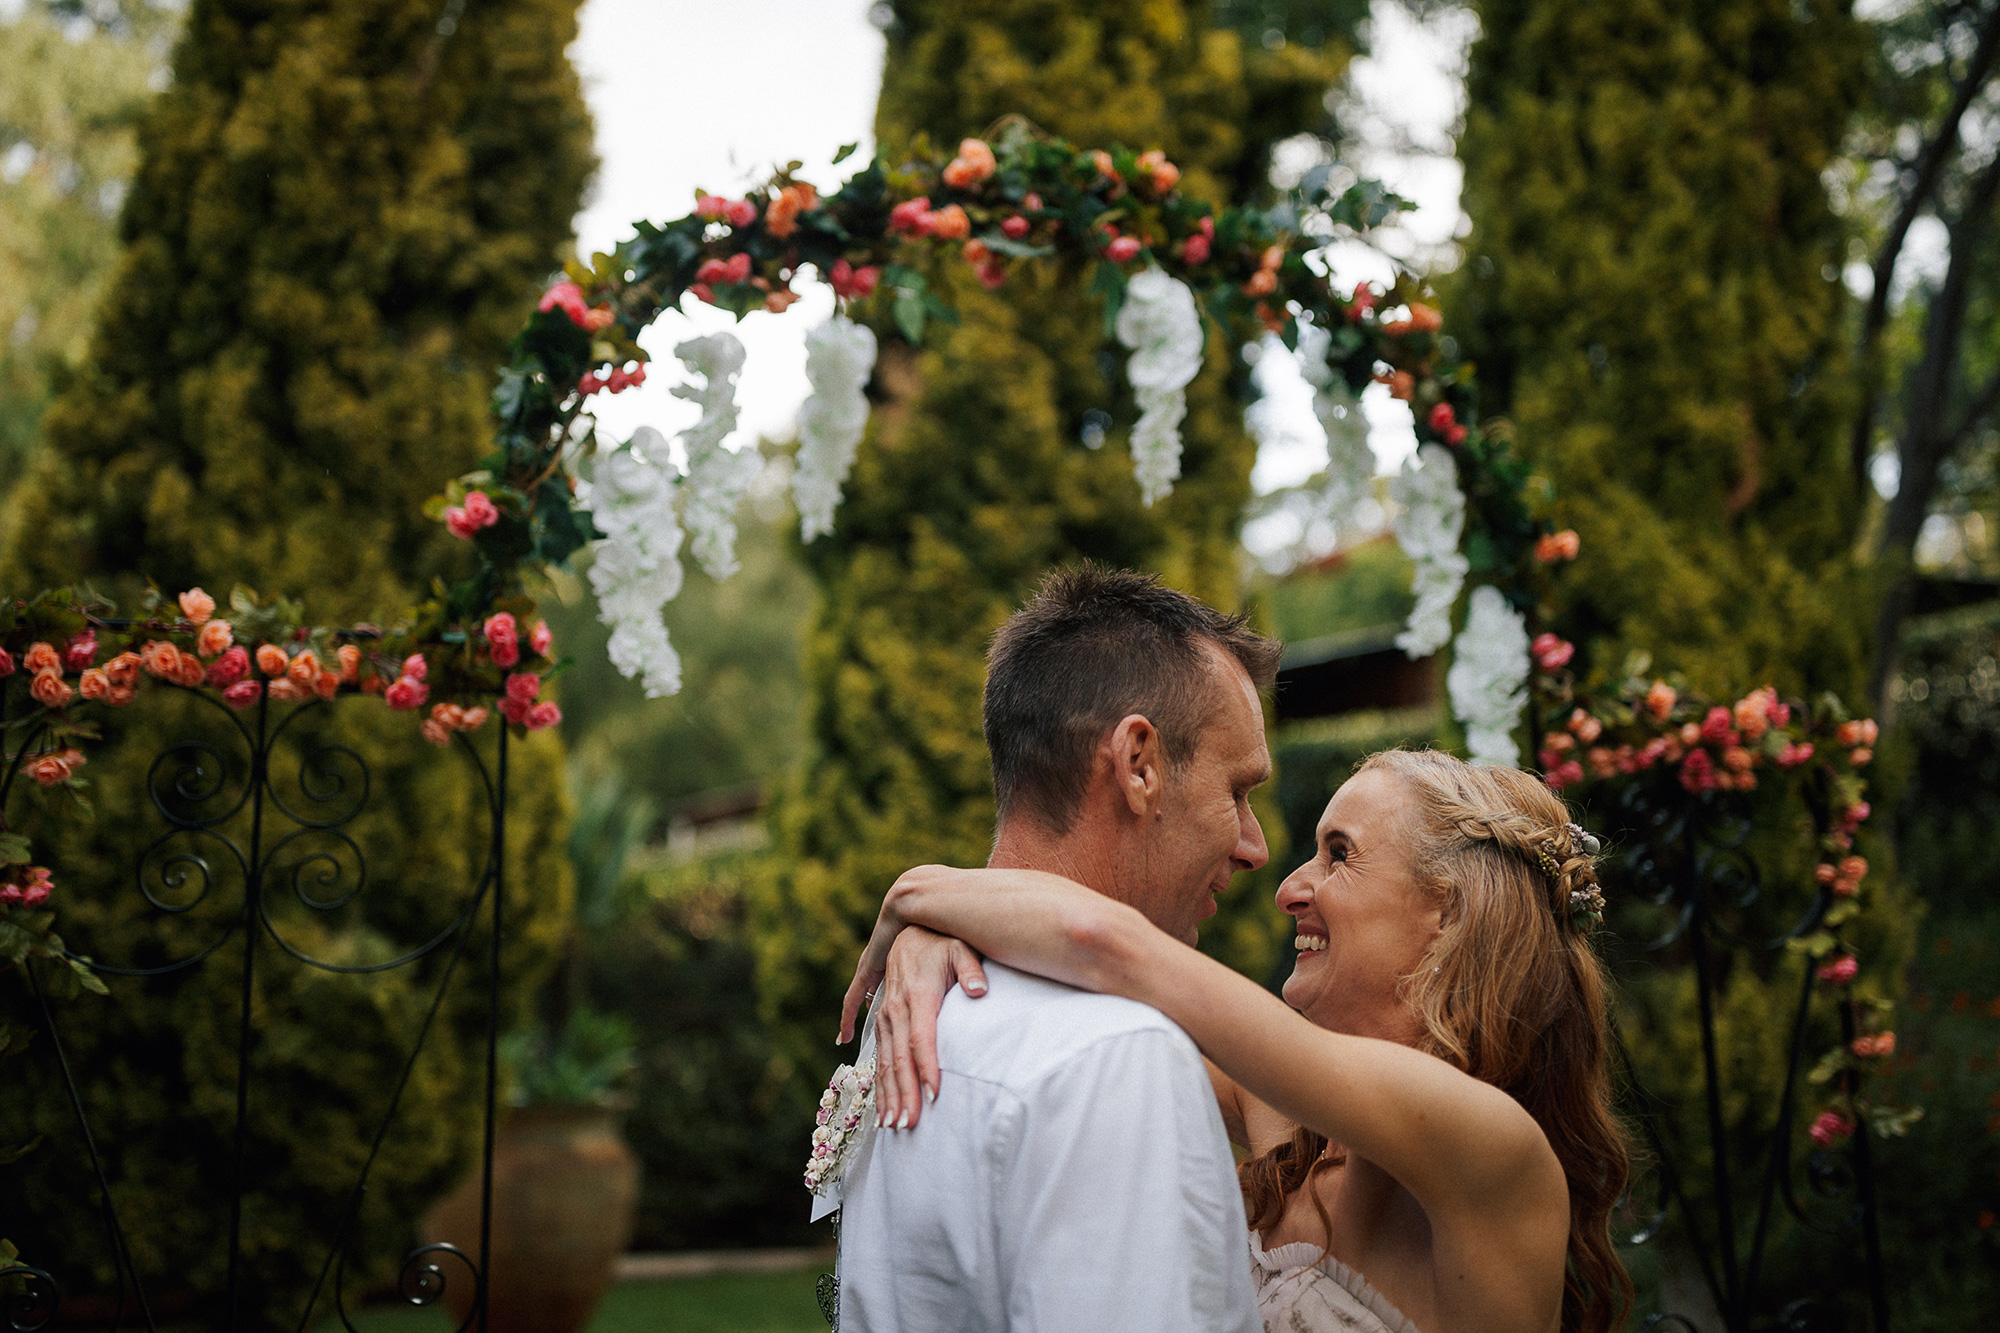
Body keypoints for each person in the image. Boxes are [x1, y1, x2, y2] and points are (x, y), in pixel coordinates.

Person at [848, 748, 1633, 1333]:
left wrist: (921, 891)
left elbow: (1109, 946)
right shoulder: (1290, 1124)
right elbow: (1074, 1005)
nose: (1291, 886)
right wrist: (936, 939)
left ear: (1450, 914)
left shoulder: (1493, 1149)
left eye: (1339, 854)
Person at [827, 563, 1282, 1333]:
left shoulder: (915, 1007)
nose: (1256, 846)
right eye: (1237, 790)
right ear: (1139, 763)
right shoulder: (1114, 1056)